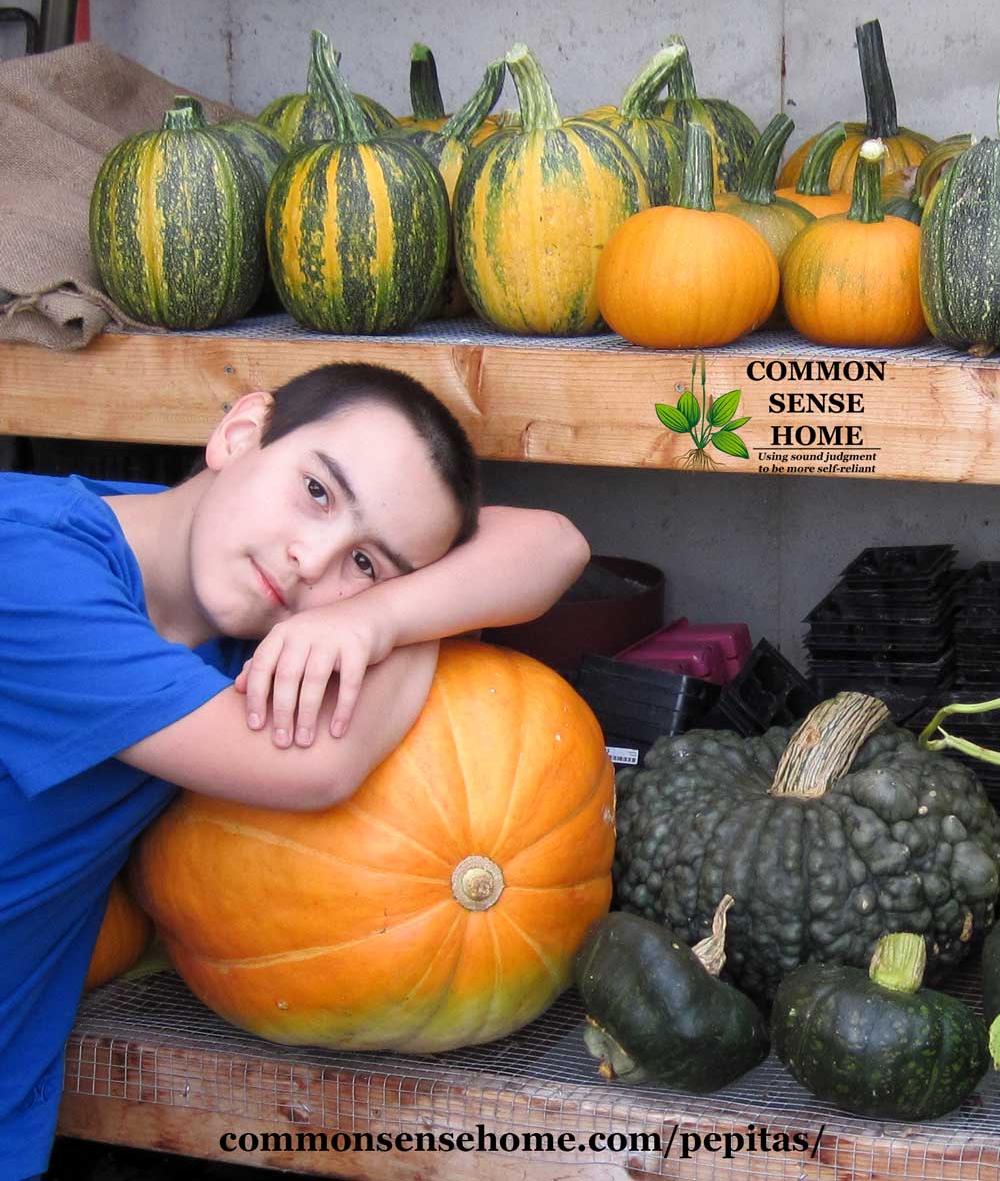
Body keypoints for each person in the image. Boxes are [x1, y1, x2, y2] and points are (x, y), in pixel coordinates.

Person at [1, 361, 591, 1181]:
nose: (313, 560)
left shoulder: (237, 590)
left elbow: (553, 544)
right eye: (317, 491)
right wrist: (408, 613)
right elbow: (315, 767)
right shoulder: (25, 567)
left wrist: (376, 618)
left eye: (366, 561)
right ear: (241, 433)